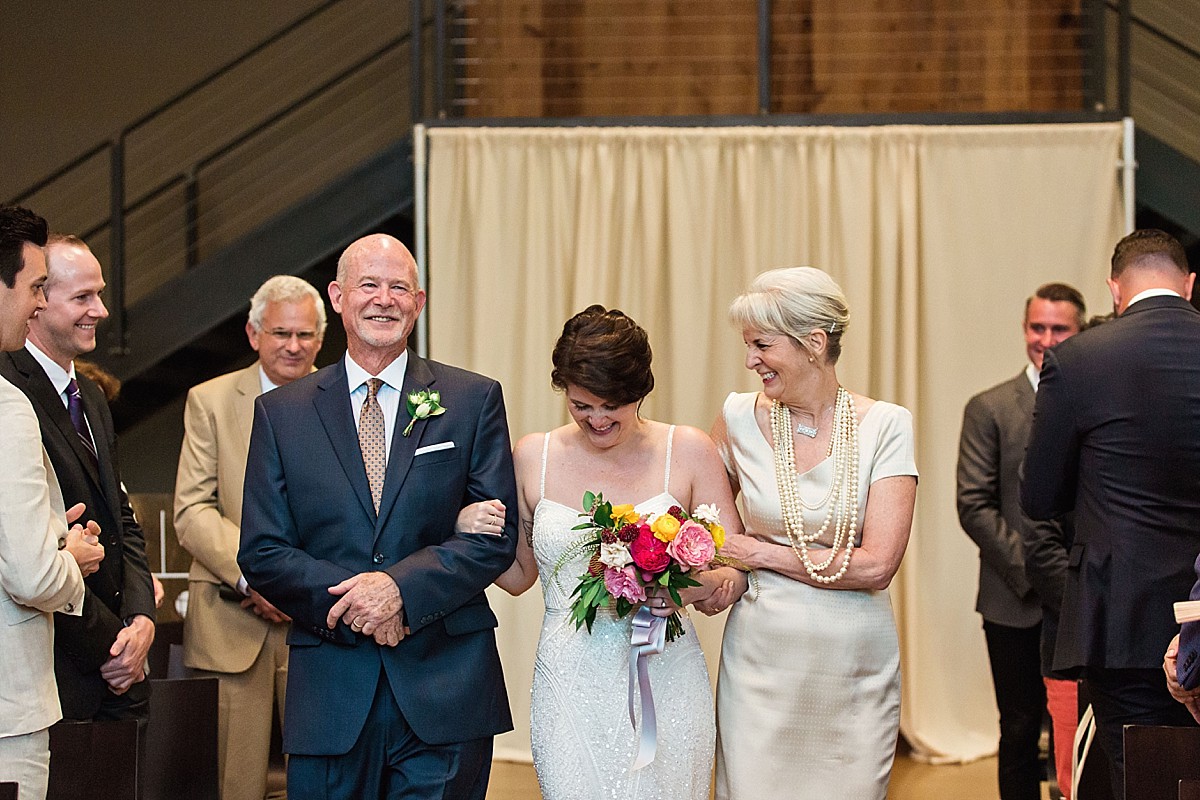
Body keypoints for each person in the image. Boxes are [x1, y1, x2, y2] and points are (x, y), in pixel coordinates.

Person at [238, 234, 517, 800]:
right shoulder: (281, 414)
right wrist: (362, 602)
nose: (383, 299)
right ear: (338, 297)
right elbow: (263, 551)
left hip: (446, 681)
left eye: (398, 288)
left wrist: (400, 589)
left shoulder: (471, 399)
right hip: (331, 689)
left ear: (418, 302)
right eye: (369, 285)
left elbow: (497, 537)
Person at [456, 305, 746, 800]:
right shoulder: (533, 456)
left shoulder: (689, 450)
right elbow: (519, 575)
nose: (596, 419)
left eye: (610, 405)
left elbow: (735, 566)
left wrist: (686, 586)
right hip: (568, 678)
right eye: (580, 405)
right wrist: (466, 529)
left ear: (639, 391)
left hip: (665, 670)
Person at [711, 267, 918, 800]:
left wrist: (762, 552)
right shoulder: (736, 417)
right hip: (761, 664)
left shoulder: (886, 425)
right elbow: (708, 524)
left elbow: (876, 565)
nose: (751, 359)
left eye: (761, 344)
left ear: (813, 343)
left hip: (853, 670)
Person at [1021, 229, 1200, 798]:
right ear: (1189, 285)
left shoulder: (1078, 359)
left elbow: (1039, 496)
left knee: (1138, 775)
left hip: (1122, 611)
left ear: (1114, 288)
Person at [174, 275, 326, 800]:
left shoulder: (345, 401)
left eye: (305, 335)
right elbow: (192, 510)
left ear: (321, 340)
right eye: (280, 332)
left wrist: (299, 584)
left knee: (322, 776)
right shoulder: (210, 401)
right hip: (231, 619)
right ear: (253, 333)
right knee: (231, 783)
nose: (293, 346)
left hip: (320, 620)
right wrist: (255, 577)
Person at [0, 233, 156, 723]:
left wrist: (143, 619)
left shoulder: (89, 394)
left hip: (122, 666)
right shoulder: (8, 390)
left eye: (101, 294)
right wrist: (108, 646)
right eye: (83, 297)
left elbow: (121, 518)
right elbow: (25, 553)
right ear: (41, 302)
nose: (102, 310)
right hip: (61, 668)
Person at [957, 282, 1085, 800]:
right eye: (1038, 327)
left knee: (1078, 732)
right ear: (1024, 329)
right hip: (1012, 602)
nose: (1047, 339)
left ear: (1079, 331)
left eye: (1060, 329)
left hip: (1080, 601)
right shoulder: (988, 407)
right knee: (1017, 731)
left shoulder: (1090, 401)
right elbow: (974, 504)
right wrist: (1039, 571)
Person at [0, 205, 94, 800]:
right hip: (9, 709)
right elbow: (32, 575)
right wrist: (72, 556)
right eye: (36, 286)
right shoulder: (8, 407)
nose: (39, 303)